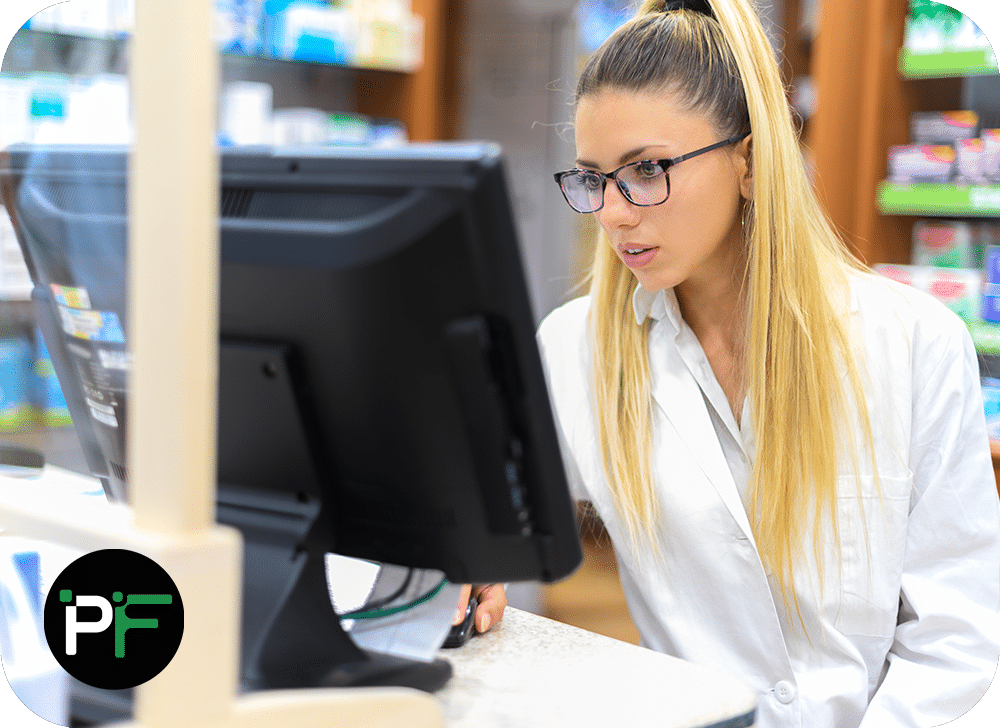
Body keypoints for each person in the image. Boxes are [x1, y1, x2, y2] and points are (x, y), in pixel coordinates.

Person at [482, 0, 1000, 726]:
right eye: (595, 177)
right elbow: (491, 511)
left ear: (750, 162)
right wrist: (470, 569)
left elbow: (955, 641)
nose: (615, 212)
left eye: (649, 169)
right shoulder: (575, 350)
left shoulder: (913, 344)